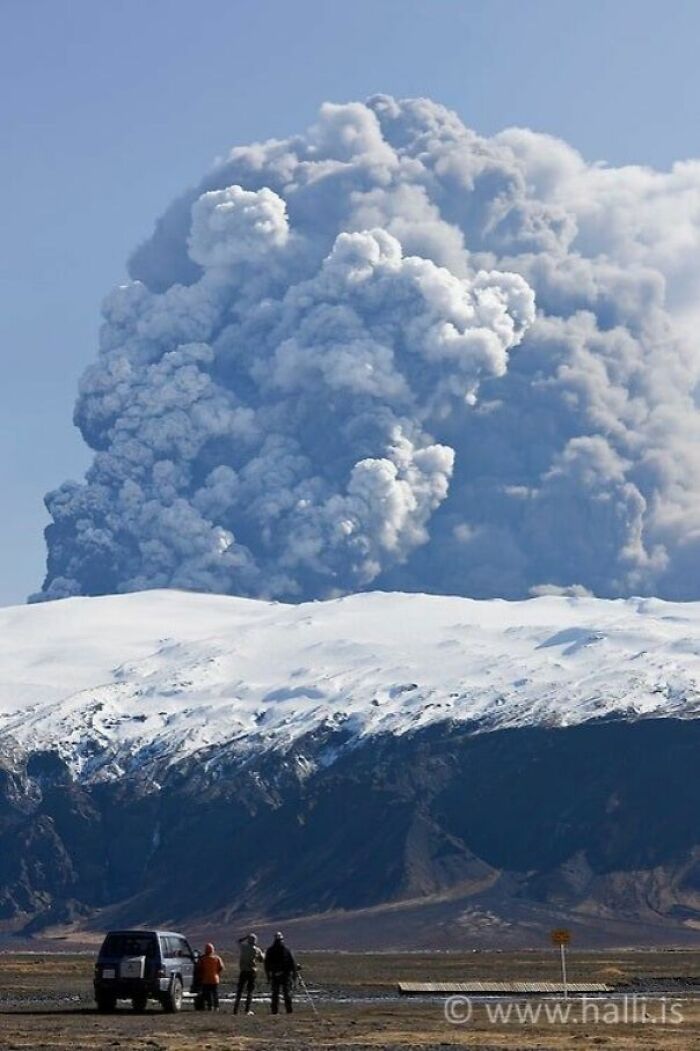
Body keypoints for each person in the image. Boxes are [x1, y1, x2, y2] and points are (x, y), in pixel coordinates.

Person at [264, 931, 298, 1014]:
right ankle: (288, 1010)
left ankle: (274, 1011)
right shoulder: (286, 950)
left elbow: (266, 964)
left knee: (276, 994)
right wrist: (294, 974)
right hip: (285, 975)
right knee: (286, 993)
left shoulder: (270, 950)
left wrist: (268, 975)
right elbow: (292, 962)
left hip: (276, 975)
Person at [234, 933, 264, 1015]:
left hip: (243, 971)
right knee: (250, 991)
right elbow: (261, 959)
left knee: (239, 991)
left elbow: (238, 941)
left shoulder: (243, 947)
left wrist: (245, 937)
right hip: (252, 971)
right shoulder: (257, 950)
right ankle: (247, 1010)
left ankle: (235, 1009)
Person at [197, 942, 224, 1011]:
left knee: (207, 994)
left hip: (206, 979)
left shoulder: (202, 959)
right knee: (215, 994)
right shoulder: (217, 958)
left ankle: (210, 1006)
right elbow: (221, 967)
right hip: (215, 979)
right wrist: (217, 973)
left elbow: (199, 968)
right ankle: (216, 1006)